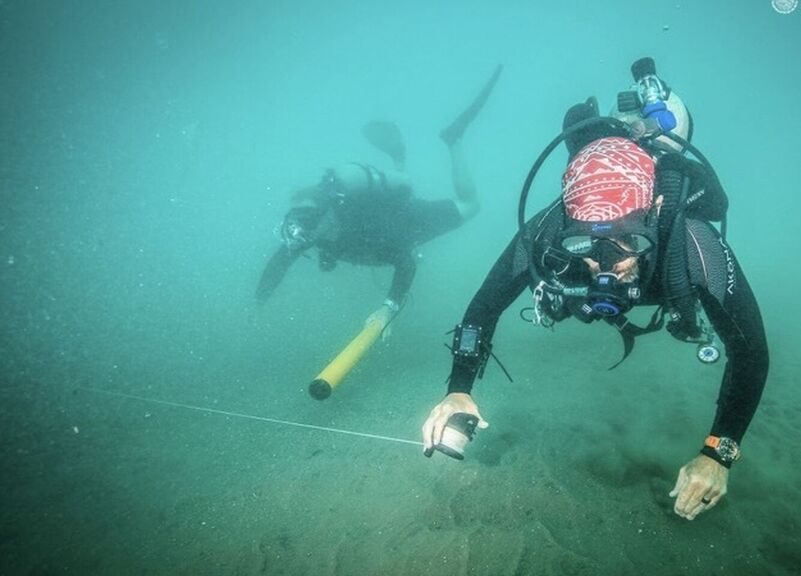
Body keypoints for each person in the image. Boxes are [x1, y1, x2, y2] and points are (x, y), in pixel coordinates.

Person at [421, 58, 768, 522]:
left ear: (655, 211)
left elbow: (750, 353)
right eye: (584, 244)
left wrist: (718, 453)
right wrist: (458, 390)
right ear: (568, 219)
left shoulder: (693, 243)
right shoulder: (547, 230)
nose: (607, 265)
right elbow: (483, 308)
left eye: (629, 241)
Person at [254, 66, 502, 329]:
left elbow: (405, 263)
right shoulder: (309, 227)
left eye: (309, 230)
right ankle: (399, 159)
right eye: (302, 231)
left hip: (410, 219)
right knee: (402, 194)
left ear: (325, 216)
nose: (305, 240)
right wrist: (259, 302)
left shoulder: (366, 229)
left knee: (471, 205)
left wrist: (387, 309)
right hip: (386, 214)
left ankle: (453, 141)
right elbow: (280, 260)